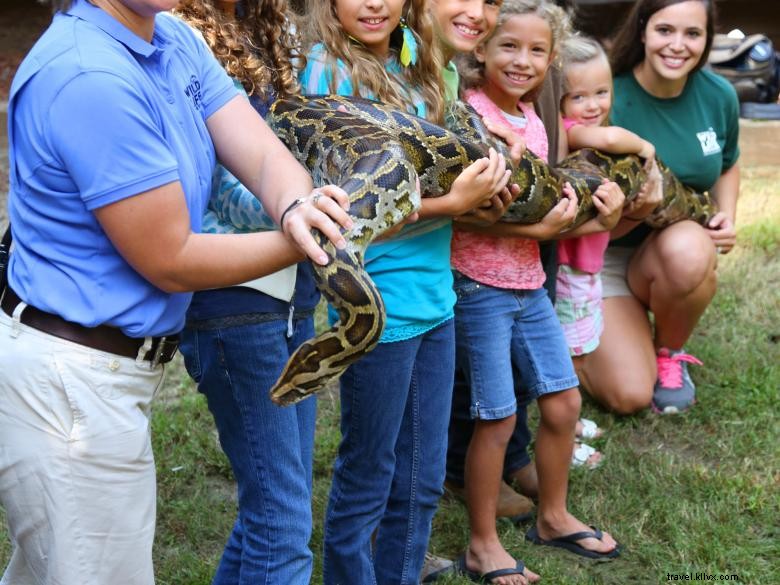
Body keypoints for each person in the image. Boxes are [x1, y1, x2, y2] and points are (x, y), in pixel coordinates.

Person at [0, 1, 353, 583]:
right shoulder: (89, 77)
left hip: (105, 375)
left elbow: (261, 151)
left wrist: (297, 207)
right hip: (71, 388)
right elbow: (170, 258)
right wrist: (305, 242)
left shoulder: (170, 39)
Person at [299, 1, 512, 583]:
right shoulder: (324, 74)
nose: (374, 3)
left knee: (420, 477)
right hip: (378, 305)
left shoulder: (428, 66)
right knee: (369, 471)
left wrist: (485, 193)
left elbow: (450, 170)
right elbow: (340, 215)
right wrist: (454, 204)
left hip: (437, 298)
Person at [449, 0, 622, 580]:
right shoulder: (467, 114)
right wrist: (537, 229)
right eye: (509, 46)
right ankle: (482, 543)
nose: (522, 60)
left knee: (564, 402)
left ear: (552, 62)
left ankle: (552, 515)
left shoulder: (533, 122)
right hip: (479, 287)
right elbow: (460, 214)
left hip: (530, 283)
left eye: (537, 50)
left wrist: (599, 210)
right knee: (496, 418)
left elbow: (550, 206)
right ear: (481, 49)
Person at [172, 1, 321, 583]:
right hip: (235, 301)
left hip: (290, 295)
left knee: (274, 508)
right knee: (283, 530)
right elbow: (207, 191)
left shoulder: (271, 25)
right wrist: (309, 202)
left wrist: (306, 194)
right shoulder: (179, 37)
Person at [576, 0, 740, 415]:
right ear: (644, 29)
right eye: (665, 30)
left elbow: (729, 162)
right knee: (629, 395)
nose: (678, 45)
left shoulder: (718, 95)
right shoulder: (607, 92)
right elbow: (577, 217)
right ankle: (578, 339)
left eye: (692, 34)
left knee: (689, 247)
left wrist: (728, 213)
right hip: (600, 256)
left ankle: (669, 352)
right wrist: (632, 213)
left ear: (706, 40)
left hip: (668, 252)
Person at [554, 34, 661, 464]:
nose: (593, 104)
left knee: (575, 353)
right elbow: (614, 136)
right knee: (563, 358)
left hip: (586, 271)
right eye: (578, 95)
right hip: (564, 273)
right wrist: (644, 147)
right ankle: (561, 437)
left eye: (602, 92)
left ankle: (568, 423)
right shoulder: (570, 134)